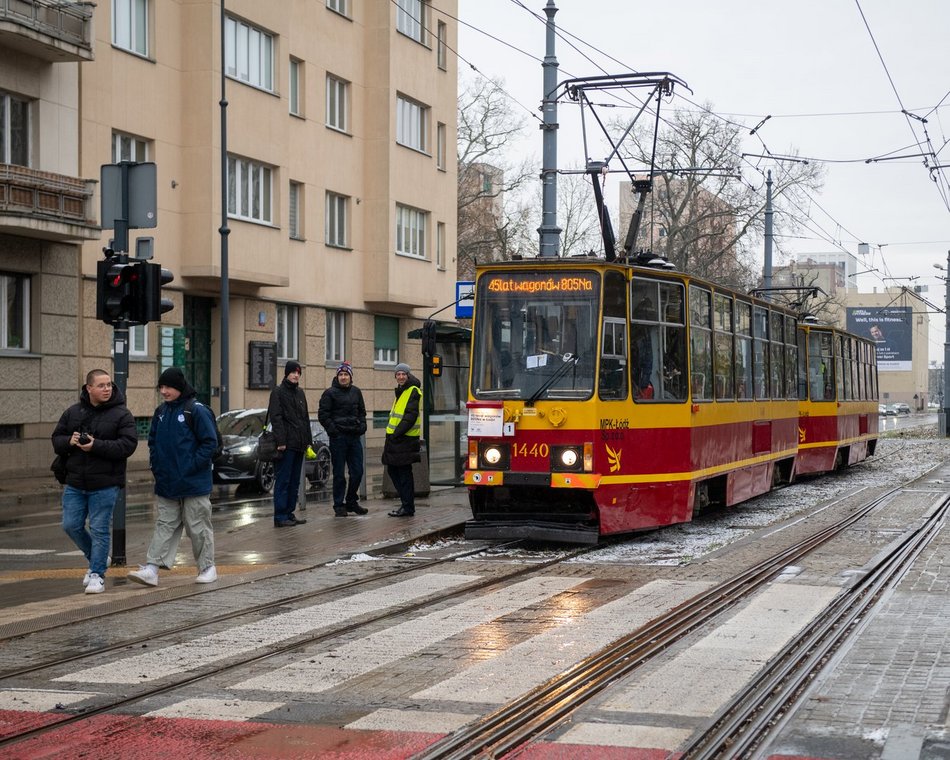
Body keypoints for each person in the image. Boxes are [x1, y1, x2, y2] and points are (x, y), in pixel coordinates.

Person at [128, 368, 218, 587]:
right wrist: (157, 467)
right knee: (164, 524)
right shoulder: (161, 412)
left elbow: (210, 443)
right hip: (167, 481)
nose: (164, 391)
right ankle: (152, 568)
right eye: (161, 387)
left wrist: (192, 466)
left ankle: (207, 567)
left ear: (179, 387)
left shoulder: (196, 410)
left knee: (197, 524)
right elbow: (153, 442)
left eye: (168, 387)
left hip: (193, 481)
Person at [51, 369, 138, 594]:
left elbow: (128, 446)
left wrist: (95, 445)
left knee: (99, 529)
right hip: (75, 482)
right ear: (88, 388)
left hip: (105, 483)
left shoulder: (122, 414)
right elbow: (56, 440)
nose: (107, 389)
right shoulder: (73, 412)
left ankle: (97, 574)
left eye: (109, 384)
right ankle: (96, 558)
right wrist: (69, 441)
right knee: (70, 525)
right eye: (101, 385)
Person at [318, 361, 368, 517]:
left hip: (354, 438)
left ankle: (352, 501)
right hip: (338, 439)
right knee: (339, 474)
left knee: (358, 472)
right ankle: (339, 504)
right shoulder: (329, 393)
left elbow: (362, 412)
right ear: (337, 376)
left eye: (346, 374)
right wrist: (334, 432)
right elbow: (323, 415)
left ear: (350, 376)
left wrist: (362, 426)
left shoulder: (356, 392)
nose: (344, 377)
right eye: (341, 374)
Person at [267, 360, 312, 527]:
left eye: (298, 372)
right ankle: (280, 516)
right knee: (284, 480)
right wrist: (281, 441)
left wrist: (308, 441)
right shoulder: (278, 392)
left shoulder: (300, 393)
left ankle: (289, 512)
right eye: (293, 372)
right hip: (286, 445)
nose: (296, 375)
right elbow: (276, 418)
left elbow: (305, 418)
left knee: (295, 481)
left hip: (299, 444)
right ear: (286, 373)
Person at [383, 363, 423, 517]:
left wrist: (396, 434)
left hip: (403, 439)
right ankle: (406, 504)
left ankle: (407, 506)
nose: (400, 377)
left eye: (403, 374)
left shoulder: (412, 390)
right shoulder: (401, 391)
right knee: (394, 471)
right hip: (397, 439)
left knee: (403, 474)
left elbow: (410, 417)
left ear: (408, 375)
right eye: (398, 374)